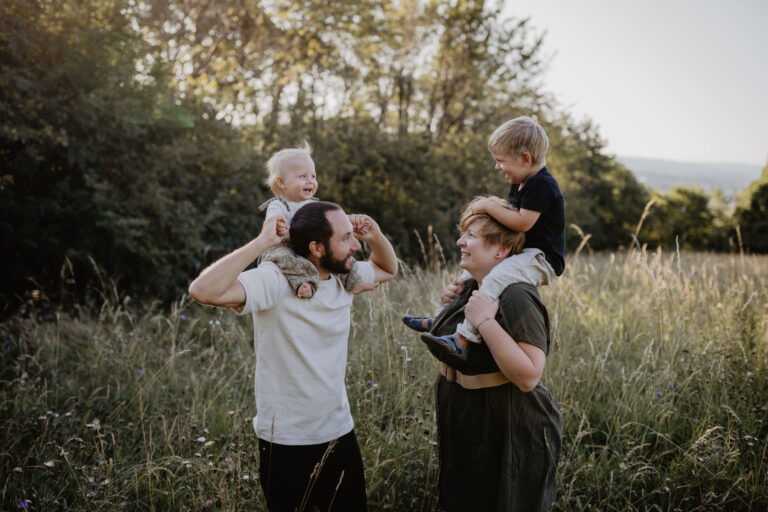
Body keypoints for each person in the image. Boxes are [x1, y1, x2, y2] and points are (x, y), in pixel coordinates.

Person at [188, 201, 397, 511]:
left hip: (340, 433)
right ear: (316, 247)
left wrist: (376, 236)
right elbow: (203, 290)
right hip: (286, 442)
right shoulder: (276, 279)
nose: (356, 246)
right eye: (346, 239)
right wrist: (262, 242)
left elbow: (387, 269)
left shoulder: (344, 277)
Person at [422, 196, 561, 511]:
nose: (460, 241)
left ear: (501, 249)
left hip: (506, 423)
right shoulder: (475, 287)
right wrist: (449, 309)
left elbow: (528, 376)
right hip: (466, 414)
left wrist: (485, 322)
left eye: (471, 236)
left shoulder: (516, 296)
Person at [406, 116, 565, 361]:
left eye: (501, 161)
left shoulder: (542, 185)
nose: (497, 167)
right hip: (523, 253)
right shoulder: (521, 182)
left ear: (525, 158)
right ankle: (441, 318)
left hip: (541, 259)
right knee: (467, 277)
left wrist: (488, 206)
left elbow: (522, 222)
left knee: (495, 277)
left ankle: (462, 339)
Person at [258, 141, 365, 298]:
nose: (310, 181)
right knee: (287, 260)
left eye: (313, 176)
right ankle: (304, 284)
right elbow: (272, 225)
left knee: (339, 253)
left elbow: (330, 222)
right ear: (281, 182)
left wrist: (349, 221)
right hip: (284, 245)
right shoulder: (278, 205)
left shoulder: (313, 204)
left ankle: (355, 282)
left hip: (309, 247)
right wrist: (279, 226)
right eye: (303, 176)